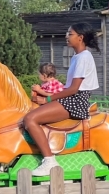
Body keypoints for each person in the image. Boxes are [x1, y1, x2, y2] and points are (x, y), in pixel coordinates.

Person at [25, 23, 101, 176]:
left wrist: (48, 100)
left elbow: (74, 89)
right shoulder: (77, 56)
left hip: (76, 100)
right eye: (67, 33)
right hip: (71, 97)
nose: (67, 36)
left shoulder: (83, 58)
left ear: (80, 38)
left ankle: (49, 161)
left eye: (70, 34)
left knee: (30, 119)